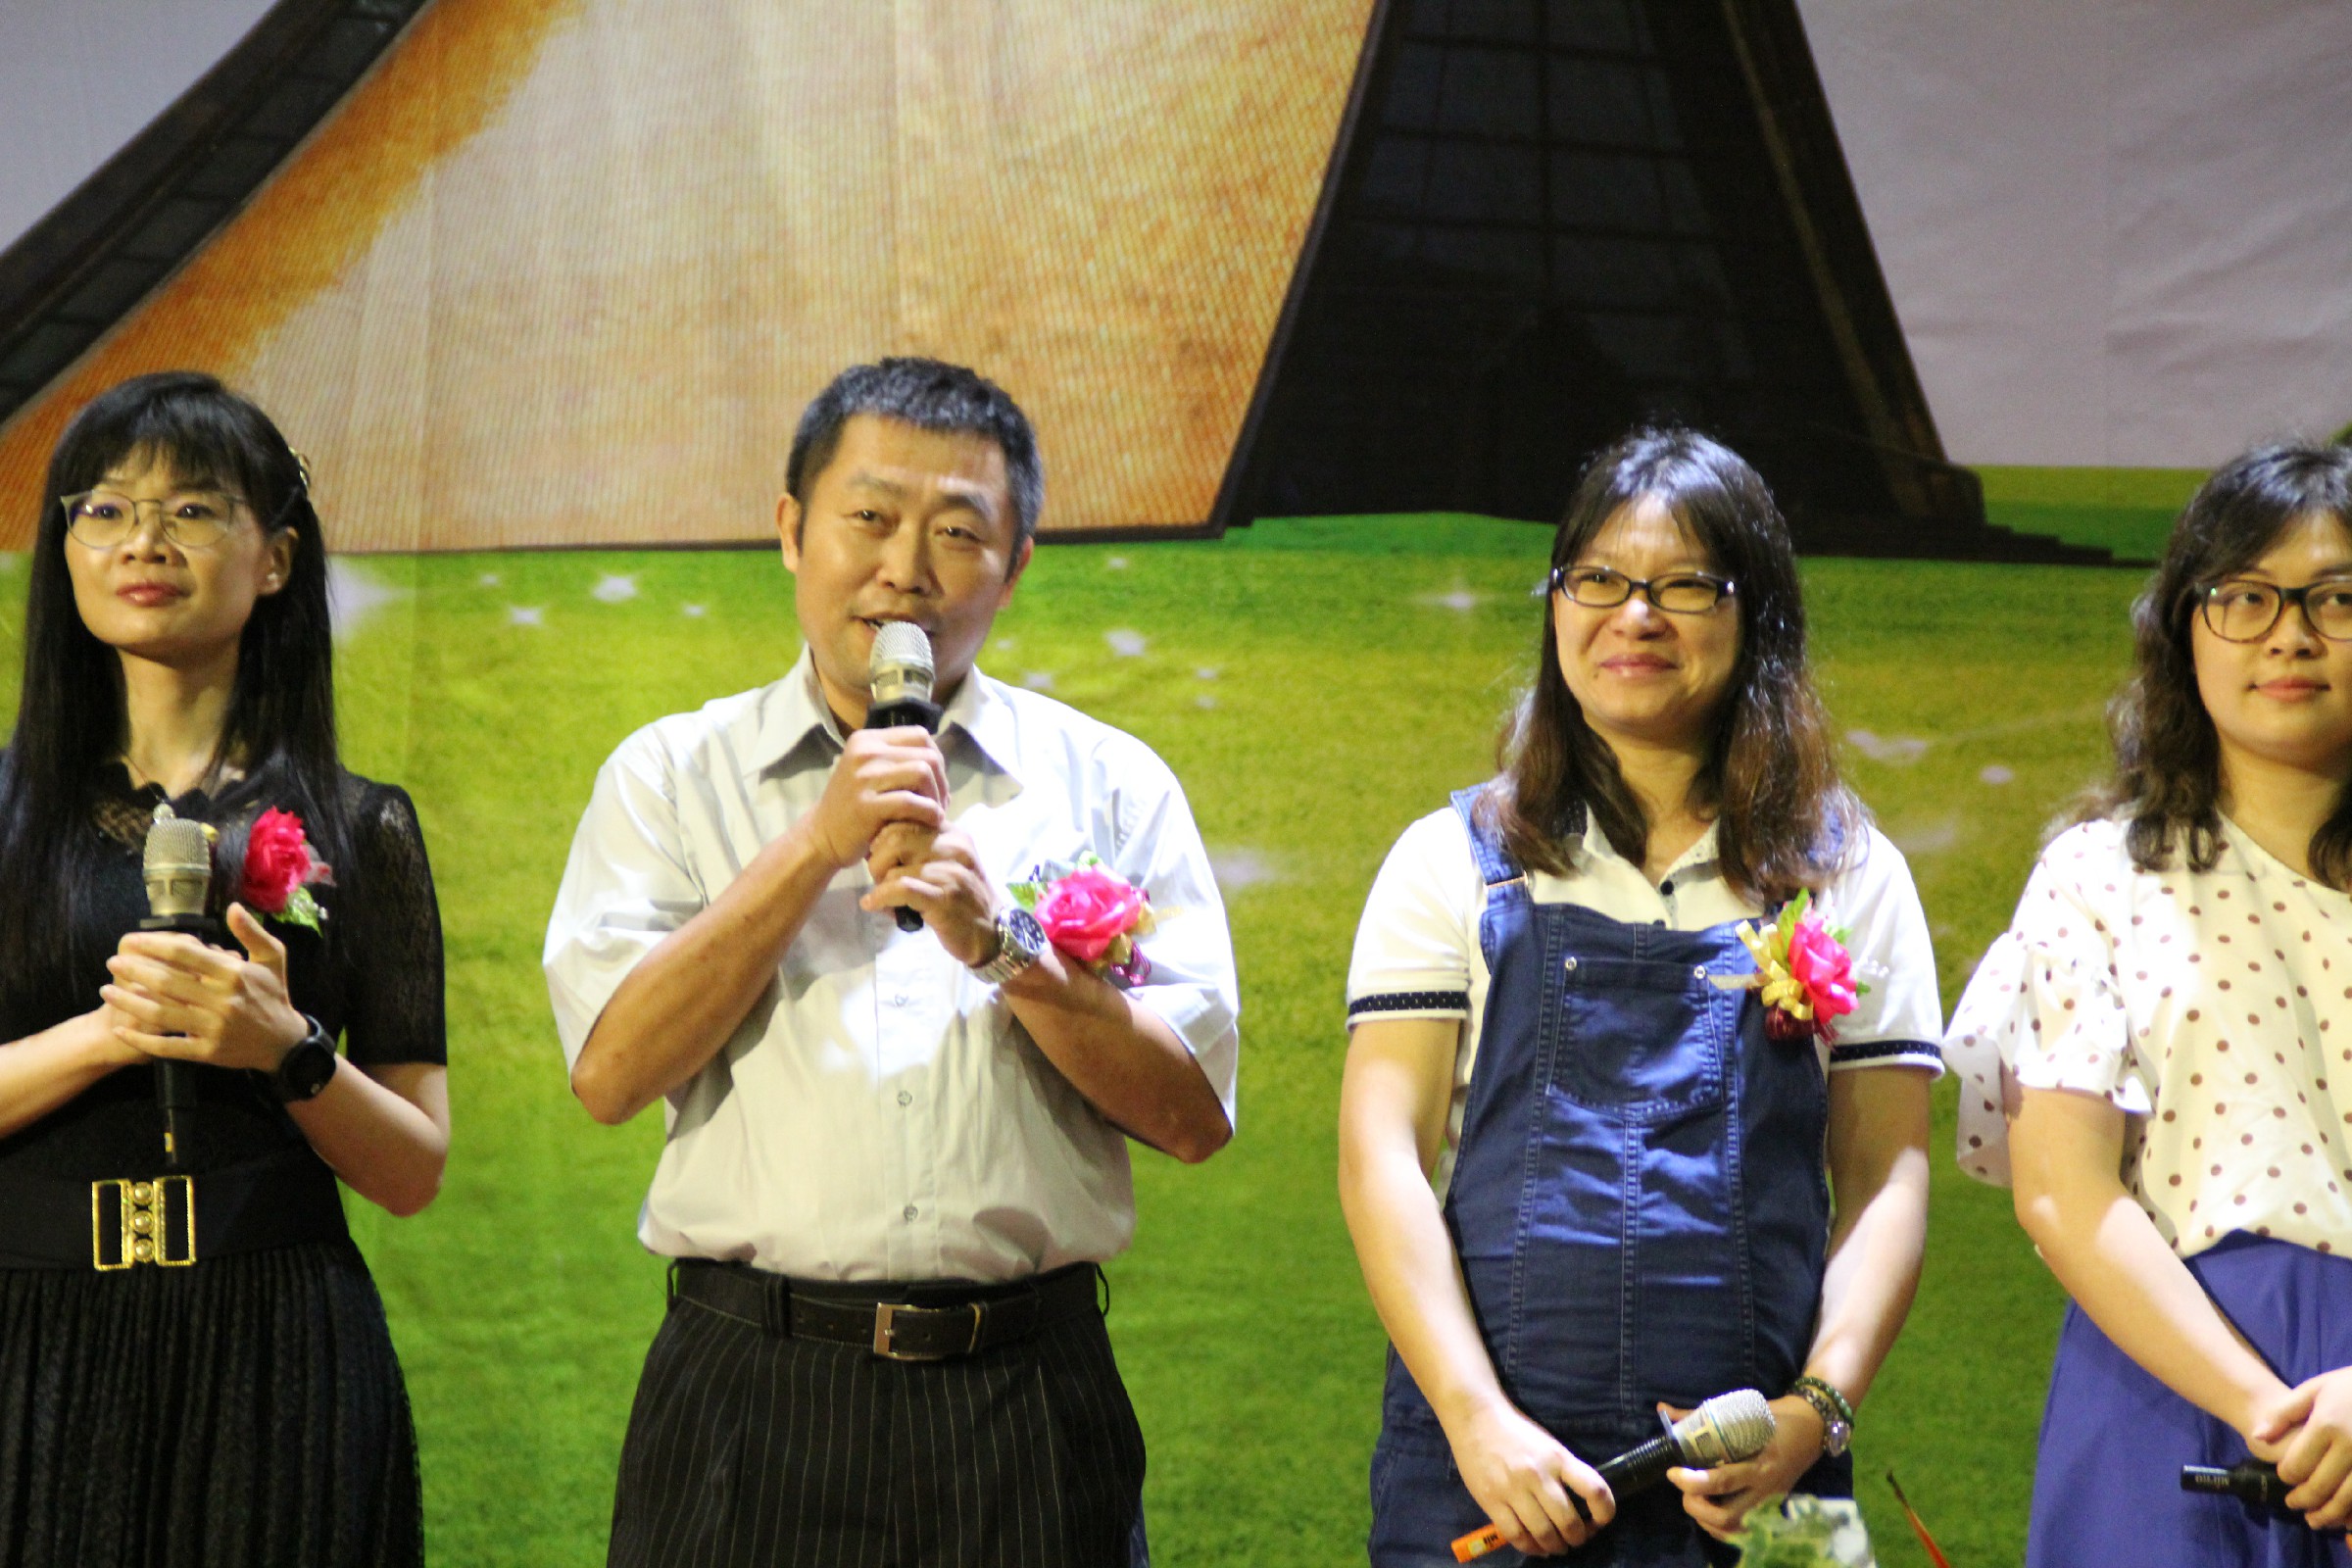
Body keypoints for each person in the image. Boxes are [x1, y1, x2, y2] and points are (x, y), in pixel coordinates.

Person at [544, 356, 1239, 1568]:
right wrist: (813, 845)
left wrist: (1006, 945)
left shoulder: (1110, 784)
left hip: (1026, 1401)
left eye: (958, 532)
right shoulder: (670, 773)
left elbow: (1191, 1116)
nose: (906, 567)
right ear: (790, 529)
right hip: (753, 1390)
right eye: (869, 516)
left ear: (1016, 566)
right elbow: (609, 1074)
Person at [1338, 428, 1942, 1566]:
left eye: (1685, 586)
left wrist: (1816, 1411)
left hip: (1772, 1480)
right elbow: (1382, 1159)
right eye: (1600, 579)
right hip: (1488, 1472)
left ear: (1758, 614)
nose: (1636, 616)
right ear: (1556, 603)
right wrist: (1476, 1420)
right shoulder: (1448, 858)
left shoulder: (1851, 869)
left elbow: (1887, 1175)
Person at [0, 371, 450, 1567]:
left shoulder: (362, 828)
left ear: (276, 558)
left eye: (192, 509)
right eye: (105, 509)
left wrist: (287, 1052)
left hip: (280, 1352)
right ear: (66, 550)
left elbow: (412, 1169)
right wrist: (113, 1032)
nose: (143, 540)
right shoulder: (4, 817)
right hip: (33, 1345)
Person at [1945, 442, 2352, 1567]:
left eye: (2336, 599)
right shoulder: (2099, 876)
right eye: (2245, 596)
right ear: (2184, 629)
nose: (2289, 634)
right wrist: (2271, 1412)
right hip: (2164, 1390)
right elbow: (2063, 1194)